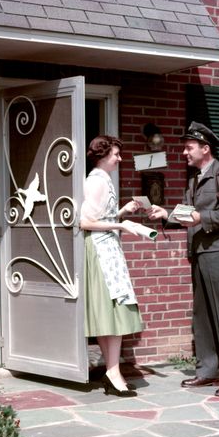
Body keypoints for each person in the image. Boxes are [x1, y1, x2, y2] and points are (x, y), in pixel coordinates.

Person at [147, 121, 219, 397]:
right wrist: (165, 214)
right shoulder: (194, 179)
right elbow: (187, 214)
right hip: (199, 254)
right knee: (202, 316)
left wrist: (204, 217)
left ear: (205, 148)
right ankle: (207, 371)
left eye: (189, 147)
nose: (184, 152)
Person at [80, 135, 143, 397]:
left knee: (112, 311)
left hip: (107, 248)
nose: (119, 158)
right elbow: (85, 222)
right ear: (103, 156)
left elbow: (101, 216)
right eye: (116, 154)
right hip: (101, 250)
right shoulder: (96, 181)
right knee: (114, 311)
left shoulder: (103, 180)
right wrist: (121, 224)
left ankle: (111, 370)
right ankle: (114, 372)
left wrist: (122, 211)